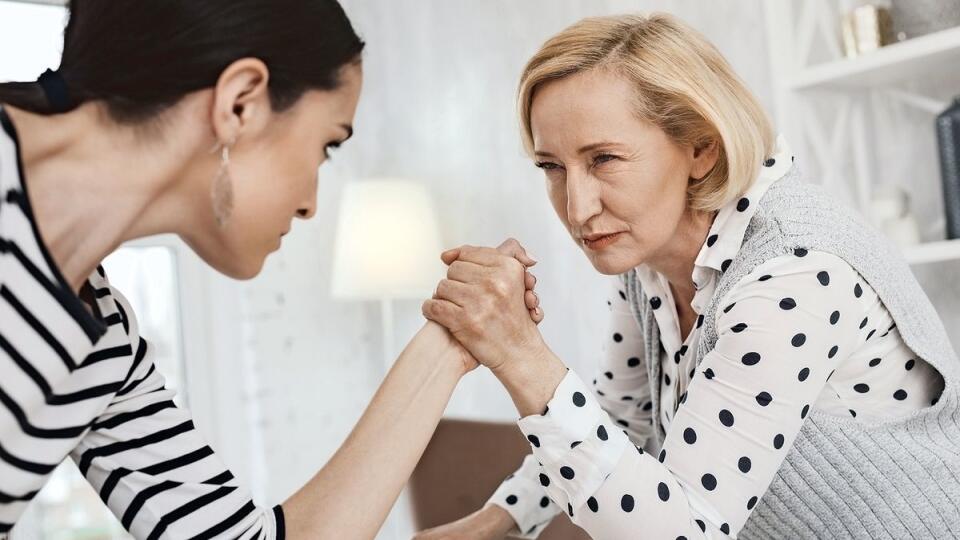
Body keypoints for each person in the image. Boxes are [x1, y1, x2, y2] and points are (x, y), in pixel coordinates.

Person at [0, 1, 543, 538]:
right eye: (327, 144)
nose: (311, 203)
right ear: (241, 105)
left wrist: (453, 339)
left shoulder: (100, 339)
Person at [417, 13, 960, 539]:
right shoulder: (647, 264)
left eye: (604, 159)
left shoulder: (794, 272)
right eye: (552, 167)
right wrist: (492, 524)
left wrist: (520, 356)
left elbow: (686, 532)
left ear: (701, 148)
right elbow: (619, 420)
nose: (577, 208)